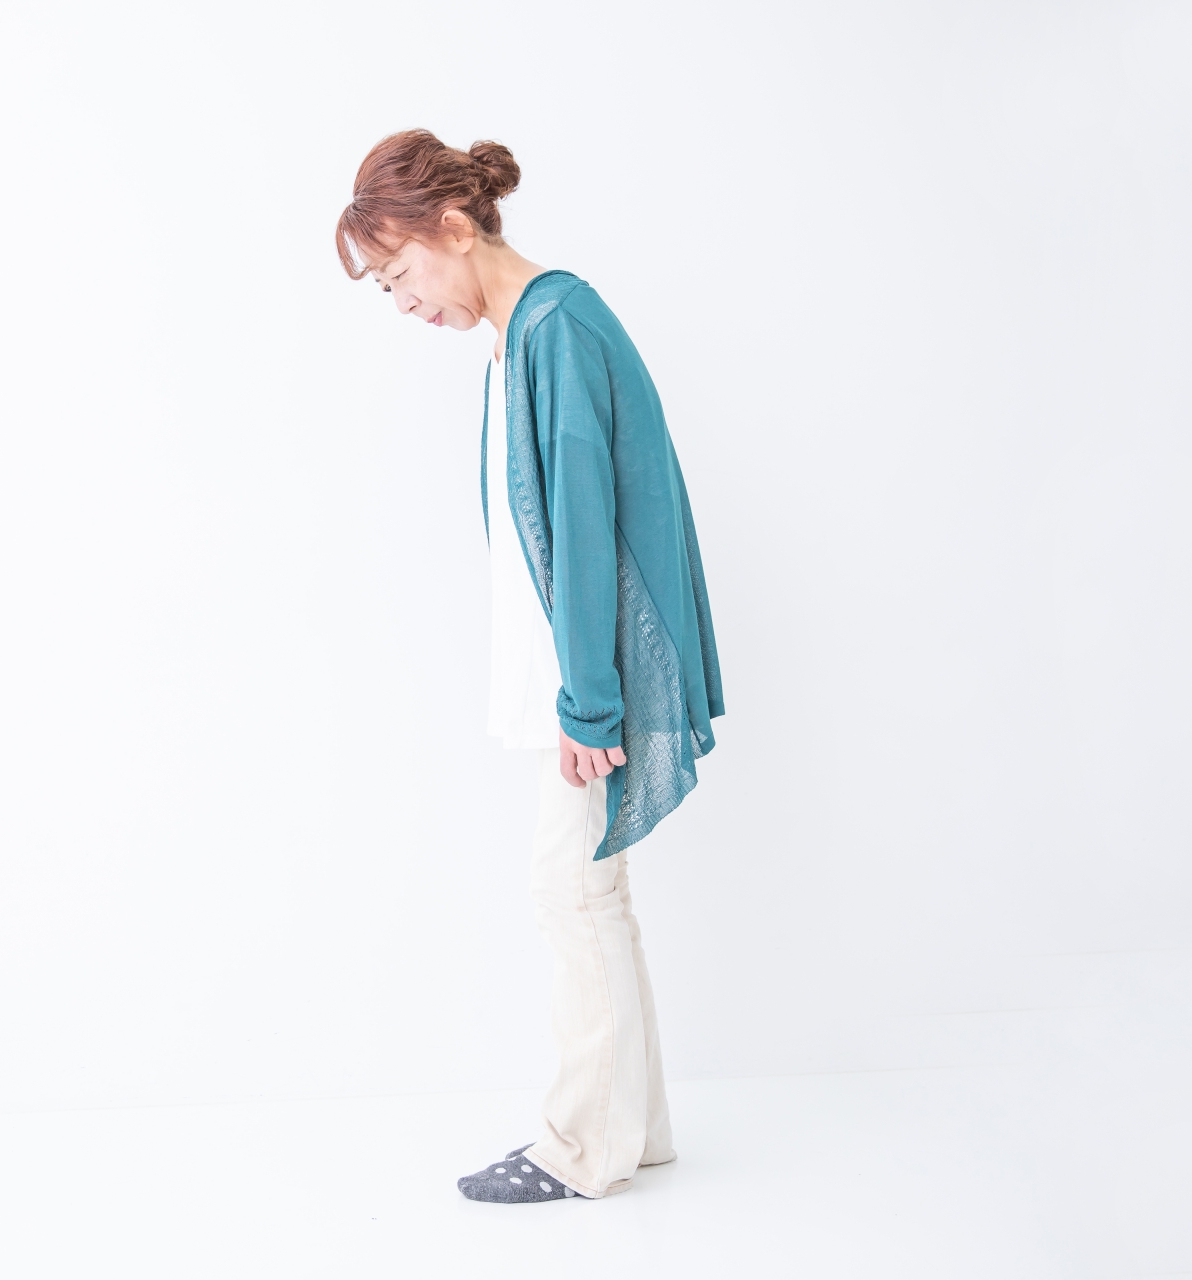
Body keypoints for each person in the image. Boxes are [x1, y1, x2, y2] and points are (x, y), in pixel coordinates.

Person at [335, 130, 725, 1203]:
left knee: (572, 892)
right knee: (593, 892)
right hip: (582, 676)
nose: (403, 303)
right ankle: (635, 1131)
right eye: (385, 289)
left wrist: (590, 702)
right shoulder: (523, 334)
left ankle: (580, 1146)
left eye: (400, 273)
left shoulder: (554, 328)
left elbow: (588, 526)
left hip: (597, 679)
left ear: (455, 227)